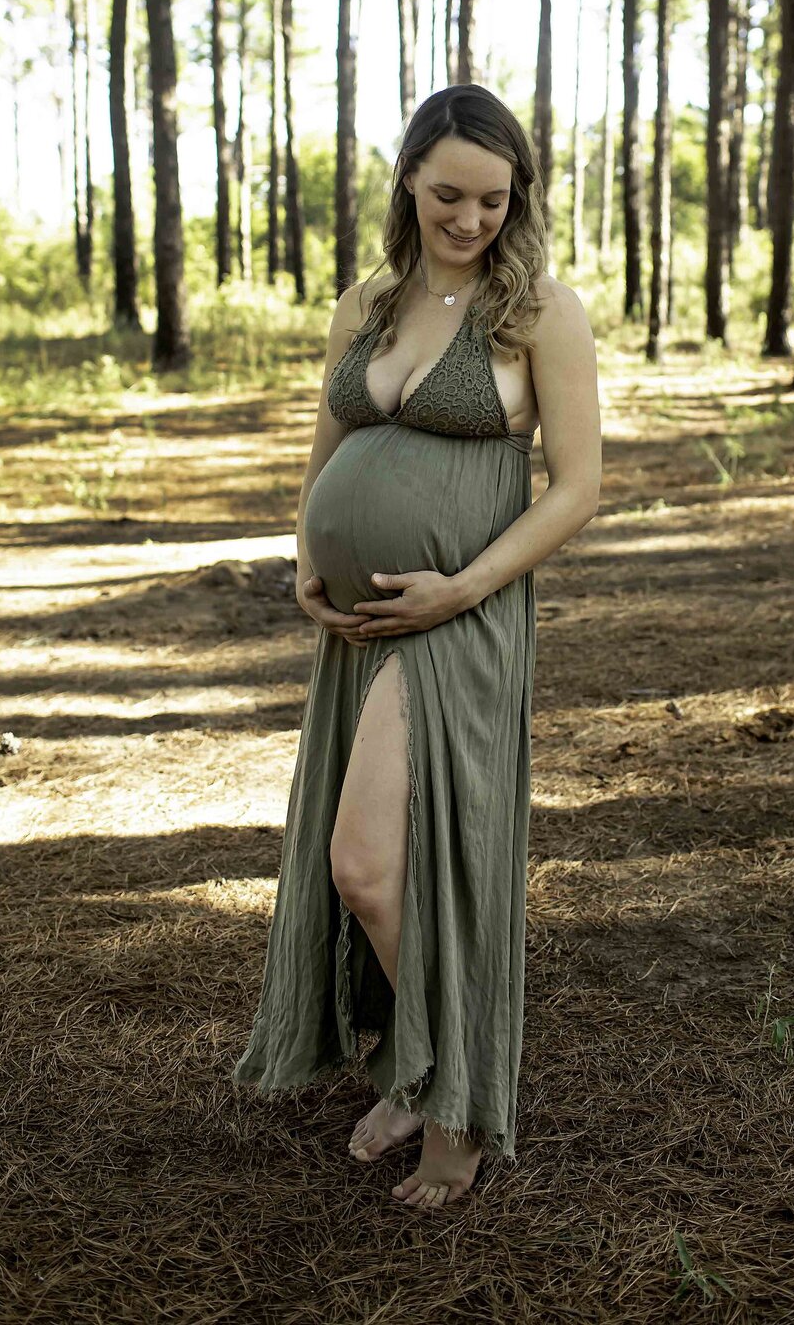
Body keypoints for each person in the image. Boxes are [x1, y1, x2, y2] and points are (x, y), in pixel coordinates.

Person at [232, 83, 602, 1208]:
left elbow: (579, 489)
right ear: (408, 180)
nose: (471, 218)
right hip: (360, 630)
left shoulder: (538, 310)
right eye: (448, 193)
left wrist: (462, 589)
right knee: (374, 874)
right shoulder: (370, 303)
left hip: (461, 619)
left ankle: (456, 1104)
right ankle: (413, 1069)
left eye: (494, 198)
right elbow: (329, 443)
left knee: (379, 867)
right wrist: (308, 550)